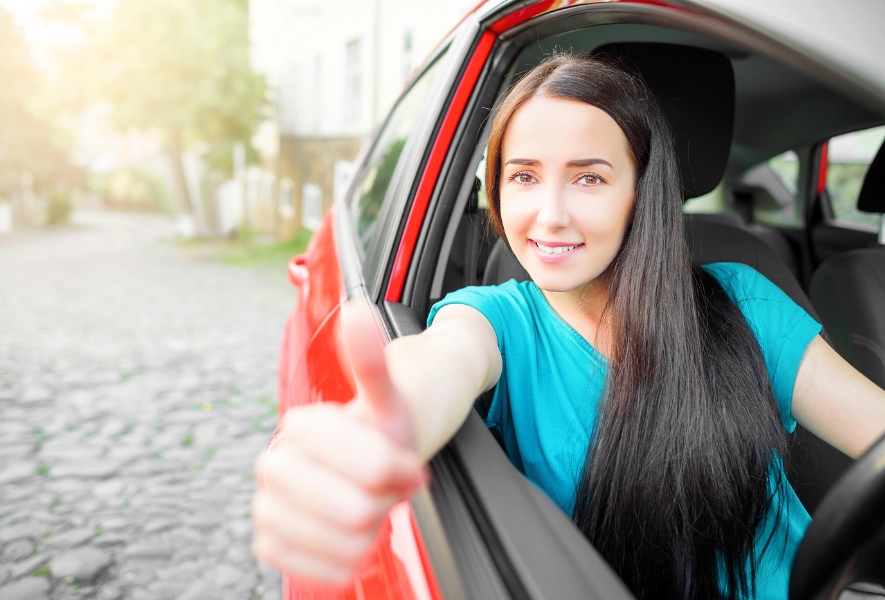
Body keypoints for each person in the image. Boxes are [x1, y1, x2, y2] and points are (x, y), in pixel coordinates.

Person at [251, 54, 885, 600]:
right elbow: (439, 362)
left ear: (641, 191)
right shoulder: (495, 320)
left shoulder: (741, 300)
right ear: (496, 190)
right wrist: (370, 432)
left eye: (588, 177)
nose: (549, 215)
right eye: (523, 176)